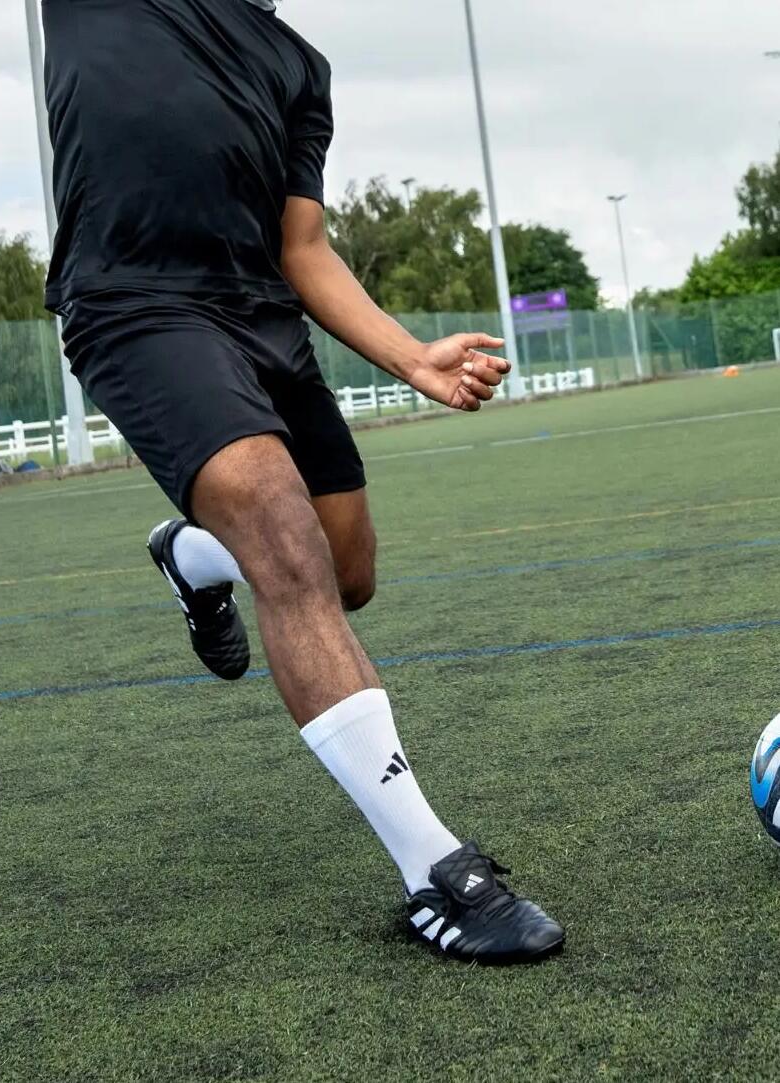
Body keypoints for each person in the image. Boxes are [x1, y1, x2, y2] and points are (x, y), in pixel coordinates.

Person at [42, 0, 564, 963]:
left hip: (263, 318)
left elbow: (303, 248)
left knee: (345, 570)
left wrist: (413, 359)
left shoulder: (297, 66)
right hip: (135, 307)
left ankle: (194, 557)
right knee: (286, 547)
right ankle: (436, 870)